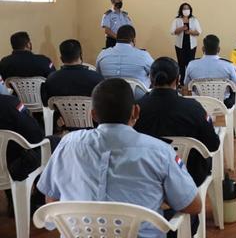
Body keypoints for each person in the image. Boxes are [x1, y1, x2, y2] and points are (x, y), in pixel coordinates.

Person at [36, 78, 201, 238]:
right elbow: (193, 205)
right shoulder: (160, 152)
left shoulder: (68, 143)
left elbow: (51, 198)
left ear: (93, 115)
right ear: (136, 111)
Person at [135, 57, 220, 186]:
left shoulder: (135, 109)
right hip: (189, 175)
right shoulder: (193, 107)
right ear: (178, 79)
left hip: (145, 174)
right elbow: (213, 144)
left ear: (151, 79)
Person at [40, 40, 104, 132]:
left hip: (65, 126)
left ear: (61, 58)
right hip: (94, 126)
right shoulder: (96, 78)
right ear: (81, 56)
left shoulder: (51, 79)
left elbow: (46, 103)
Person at [184, 35, 236, 108]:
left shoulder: (192, 64)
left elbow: (186, 84)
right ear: (218, 49)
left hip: (199, 102)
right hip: (223, 103)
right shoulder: (228, 65)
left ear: (203, 49)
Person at [96, 25, 154, 94]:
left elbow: (98, 75)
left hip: (108, 98)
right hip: (137, 100)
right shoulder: (143, 55)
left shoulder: (103, 54)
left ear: (116, 38)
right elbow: (156, 72)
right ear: (133, 40)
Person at [170, 3, 202, 84]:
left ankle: (190, 81)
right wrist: (182, 28)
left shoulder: (194, 20)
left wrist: (190, 31)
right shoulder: (177, 20)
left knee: (190, 64)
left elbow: (199, 32)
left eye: (187, 8)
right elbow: (172, 32)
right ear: (181, 10)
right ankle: (181, 81)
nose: (186, 10)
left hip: (191, 45)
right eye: (184, 8)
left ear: (190, 10)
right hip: (180, 45)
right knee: (181, 63)